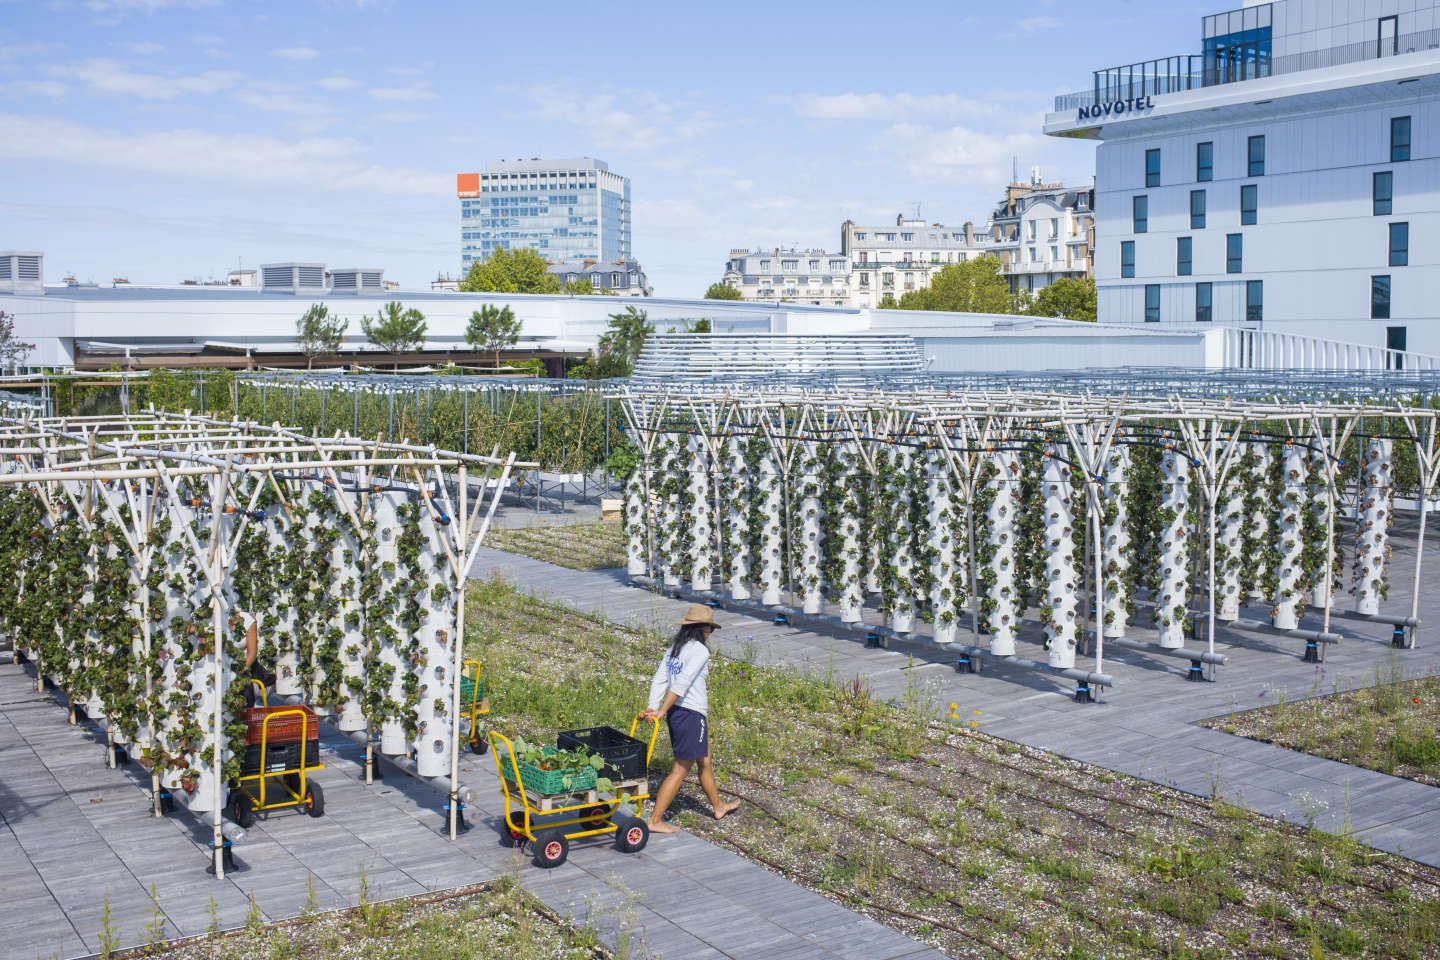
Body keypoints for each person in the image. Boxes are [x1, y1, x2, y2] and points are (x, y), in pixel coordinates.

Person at [641, 604, 741, 834]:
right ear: (701, 628)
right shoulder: (699, 651)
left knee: (704, 760)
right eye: (710, 629)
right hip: (690, 715)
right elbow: (681, 682)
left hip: (679, 713)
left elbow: (660, 678)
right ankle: (655, 820)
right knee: (680, 769)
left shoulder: (676, 647)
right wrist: (661, 710)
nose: (710, 633)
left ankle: (718, 807)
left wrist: (652, 706)